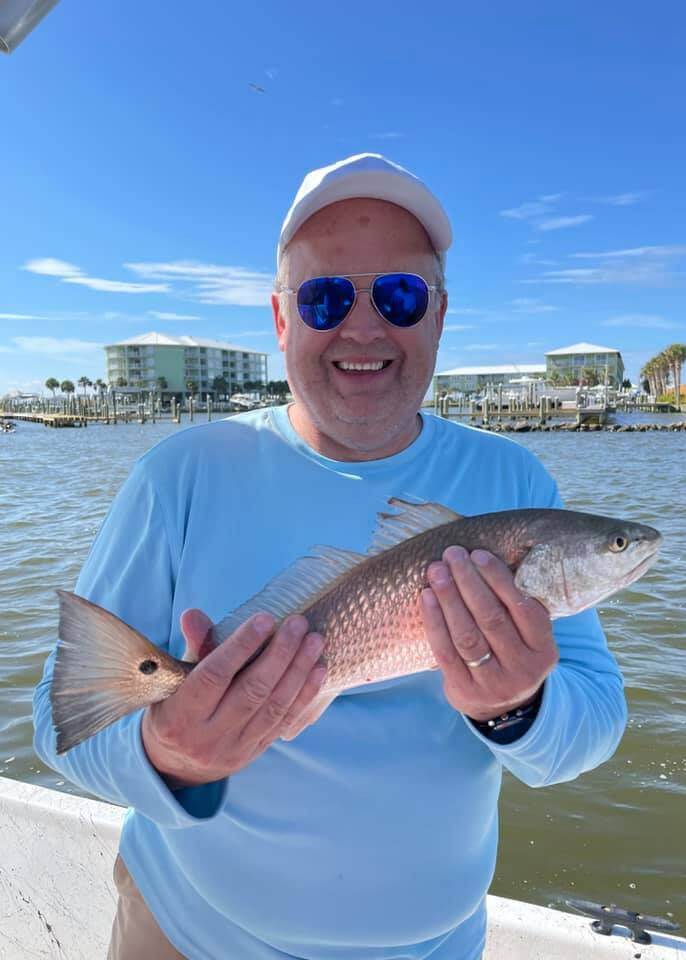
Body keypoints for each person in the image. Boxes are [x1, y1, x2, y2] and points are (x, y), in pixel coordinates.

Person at [33, 153, 627, 960]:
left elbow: (591, 726)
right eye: (324, 297)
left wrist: (516, 706)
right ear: (281, 321)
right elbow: (62, 722)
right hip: (187, 933)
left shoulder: (512, 479)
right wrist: (167, 752)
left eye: (399, 295)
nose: (363, 326)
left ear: (440, 317)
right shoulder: (180, 474)